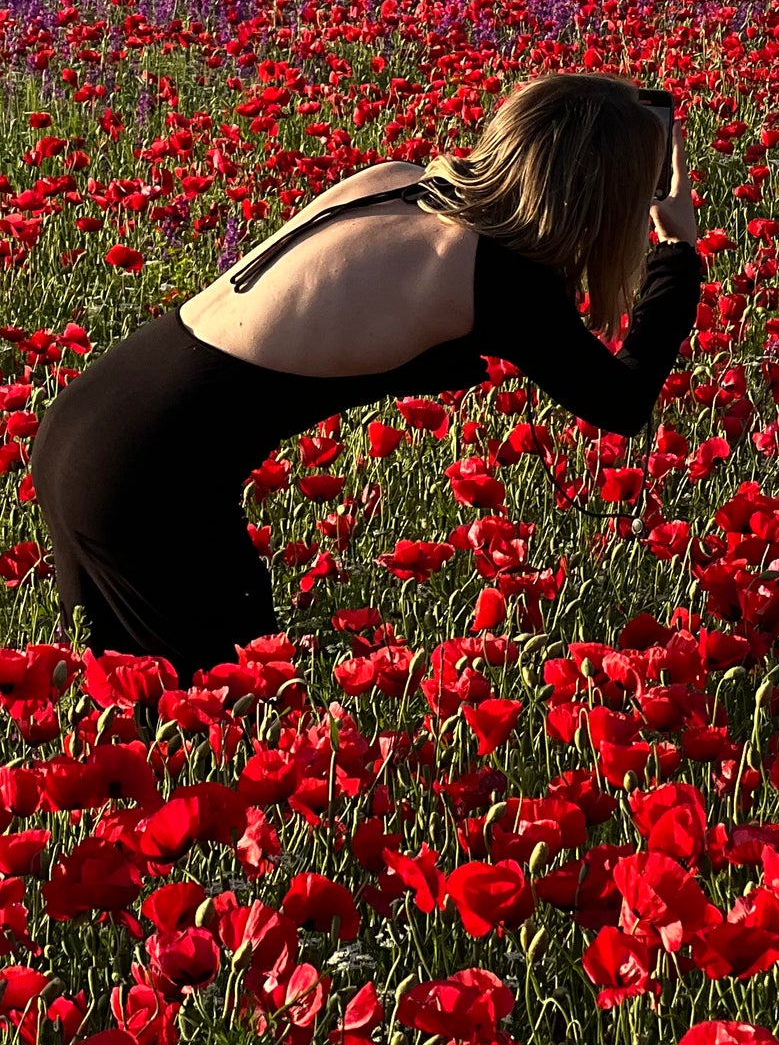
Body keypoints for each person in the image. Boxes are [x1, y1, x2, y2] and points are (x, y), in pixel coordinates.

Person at [31, 73, 700, 684]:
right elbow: (622, 400)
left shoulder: (403, 180)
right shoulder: (498, 276)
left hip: (87, 421)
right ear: (602, 195)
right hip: (146, 479)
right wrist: (676, 255)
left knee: (135, 712)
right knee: (227, 714)